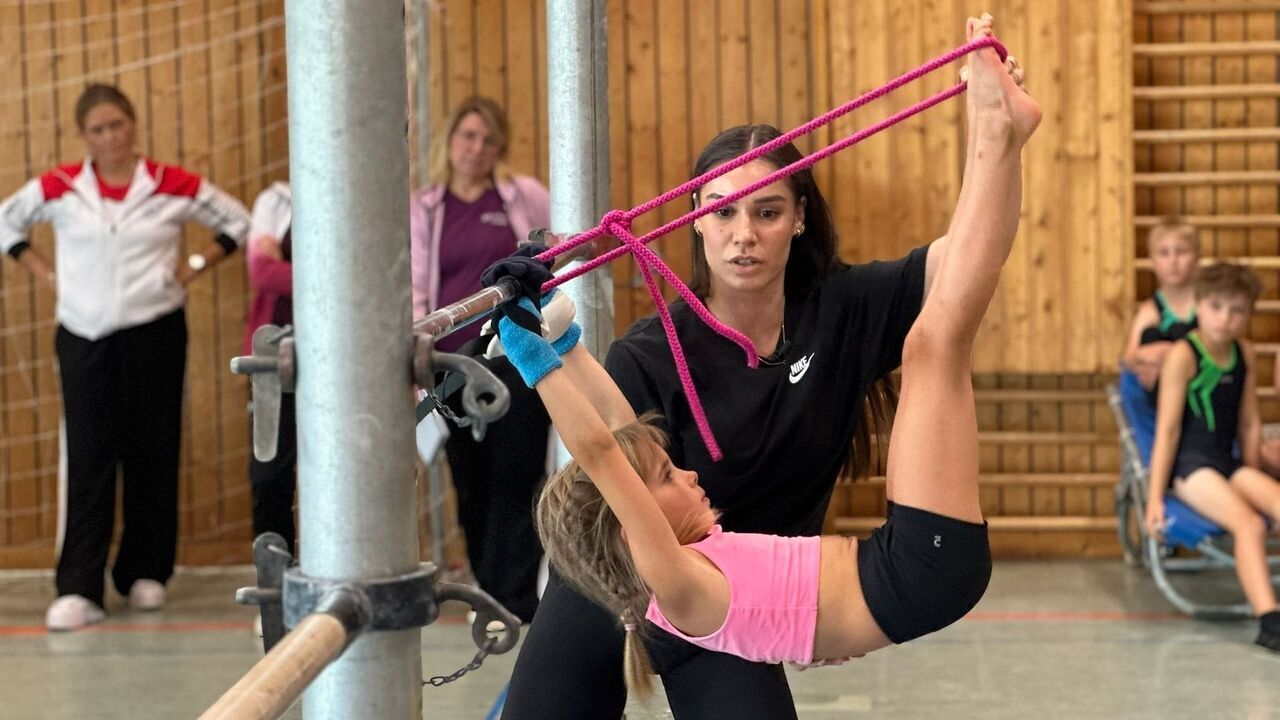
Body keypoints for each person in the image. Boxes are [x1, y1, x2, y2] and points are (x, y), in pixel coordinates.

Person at [502, 15, 1031, 718]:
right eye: (723, 214)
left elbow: (971, 258)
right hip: (642, 580)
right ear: (694, 217)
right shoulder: (651, 353)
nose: (744, 235)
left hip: (740, 602)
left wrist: (1001, 150)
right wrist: (538, 346)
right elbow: (611, 461)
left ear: (800, 218)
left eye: (768, 211)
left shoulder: (842, 307)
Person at [0, 83, 251, 631]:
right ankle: (79, 586)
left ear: (133, 124)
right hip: (82, 334)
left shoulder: (172, 184)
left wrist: (194, 265)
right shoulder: (61, 187)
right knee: (87, 455)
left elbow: (239, 222)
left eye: (117, 124)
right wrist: (45, 272)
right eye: (98, 129)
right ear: (84, 135)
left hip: (155, 329)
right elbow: (6, 221)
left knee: (153, 448)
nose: (110, 136)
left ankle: (146, 571)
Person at [409, 96, 552, 623]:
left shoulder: (523, 196)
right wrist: (418, 356)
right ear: (450, 142)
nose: (477, 148)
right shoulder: (425, 207)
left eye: (489, 140)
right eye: (468, 137)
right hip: (450, 365)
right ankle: (489, 586)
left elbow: (555, 256)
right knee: (469, 479)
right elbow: (416, 286)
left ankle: (514, 596)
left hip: (515, 356)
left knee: (519, 474)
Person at [1145, 263, 1280, 653]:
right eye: (1216, 307)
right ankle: (1269, 619)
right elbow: (1168, 431)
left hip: (1226, 461)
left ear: (1248, 314)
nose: (1225, 318)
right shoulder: (1184, 355)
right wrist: (1155, 497)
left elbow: (1249, 422)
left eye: (1236, 311)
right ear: (1199, 306)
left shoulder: (1244, 352)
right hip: (1191, 468)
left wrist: (1254, 475)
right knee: (1249, 525)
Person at [243, 181, 297, 555]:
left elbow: (365, 273)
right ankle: (275, 575)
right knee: (269, 474)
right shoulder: (276, 200)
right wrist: (331, 273)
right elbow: (261, 272)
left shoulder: (363, 192)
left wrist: (286, 267)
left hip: (347, 352)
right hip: (276, 355)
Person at [1119, 218, 1200, 458]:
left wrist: (1172, 354)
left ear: (1197, 257)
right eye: (1164, 253)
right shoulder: (1150, 310)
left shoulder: (1207, 306)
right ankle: (1156, 449)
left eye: (1181, 252)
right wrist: (1148, 355)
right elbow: (1128, 359)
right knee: (1145, 347)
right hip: (1161, 402)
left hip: (1200, 393)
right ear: (1153, 260)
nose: (1173, 261)